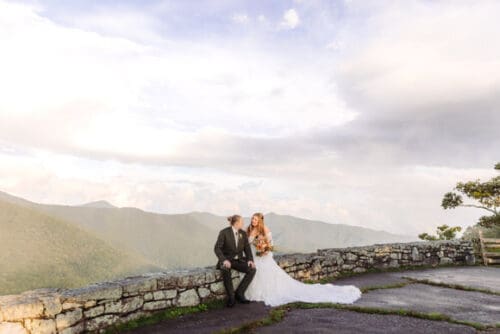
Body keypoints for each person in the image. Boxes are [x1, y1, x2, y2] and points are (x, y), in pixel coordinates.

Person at [244, 212, 362, 306]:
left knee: (265, 274)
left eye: (255, 219)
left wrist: (264, 249)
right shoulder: (248, 229)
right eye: (252, 219)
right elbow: (245, 241)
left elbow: (270, 244)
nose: (253, 221)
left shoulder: (265, 229)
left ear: (260, 220)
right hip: (252, 256)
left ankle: (265, 293)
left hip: (262, 257)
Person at [214, 214, 256, 307]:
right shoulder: (224, 232)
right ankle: (231, 298)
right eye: (242, 222)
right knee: (225, 270)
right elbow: (217, 248)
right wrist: (224, 260)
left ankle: (239, 293)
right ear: (237, 223)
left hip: (238, 261)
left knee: (252, 269)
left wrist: (250, 260)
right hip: (226, 260)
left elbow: (247, 249)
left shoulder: (243, 233)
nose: (243, 224)